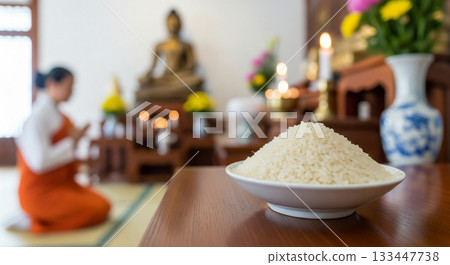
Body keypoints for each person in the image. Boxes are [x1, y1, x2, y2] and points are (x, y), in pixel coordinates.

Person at [16, 67, 110, 233]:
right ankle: (35, 223)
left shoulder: (59, 116)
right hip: (40, 193)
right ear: (52, 85)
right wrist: (72, 140)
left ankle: (42, 219)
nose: (72, 92)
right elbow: (39, 162)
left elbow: (67, 151)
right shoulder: (36, 118)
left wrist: (75, 139)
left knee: (103, 204)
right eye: (69, 87)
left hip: (63, 185)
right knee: (95, 211)